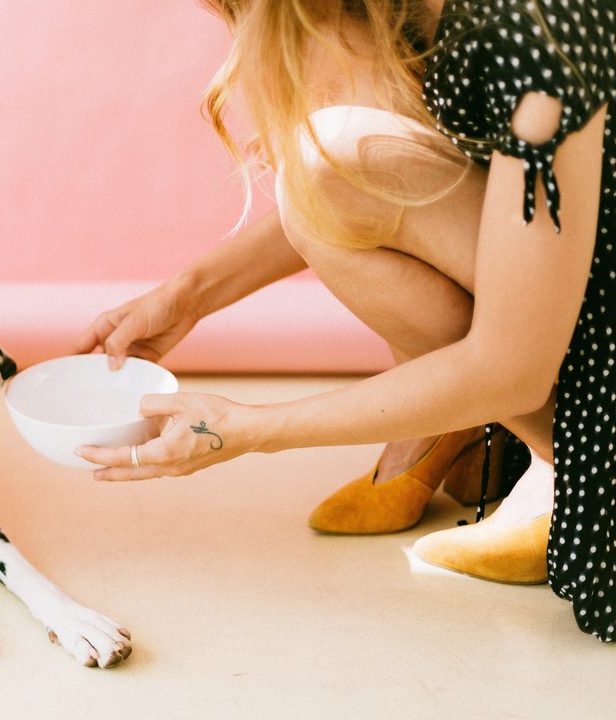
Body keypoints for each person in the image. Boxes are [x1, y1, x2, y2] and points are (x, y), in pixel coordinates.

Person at [74, 0, 615, 642]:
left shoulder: (539, 36)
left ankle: (556, 459)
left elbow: (513, 372)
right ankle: (486, 436)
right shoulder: (431, 19)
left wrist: (249, 431)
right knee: (327, 170)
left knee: (328, 158)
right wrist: (188, 296)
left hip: (565, 355)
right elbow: (352, 200)